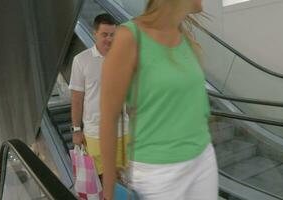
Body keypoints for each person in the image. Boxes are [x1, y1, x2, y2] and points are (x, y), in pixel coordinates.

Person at [99, 0, 219, 199]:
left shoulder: (184, 38)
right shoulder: (129, 37)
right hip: (158, 172)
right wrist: (109, 193)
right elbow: (108, 120)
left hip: (203, 158)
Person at [69, 13, 116, 176]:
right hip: (95, 133)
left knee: (122, 179)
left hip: (122, 131)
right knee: (101, 178)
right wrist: (76, 129)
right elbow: (76, 99)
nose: (109, 39)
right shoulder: (81, 60)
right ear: (94, 33)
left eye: (112, 35)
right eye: (104, 34)